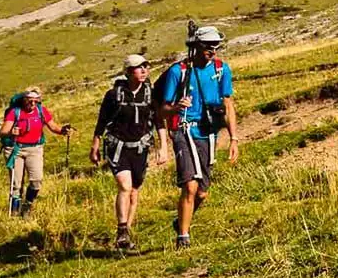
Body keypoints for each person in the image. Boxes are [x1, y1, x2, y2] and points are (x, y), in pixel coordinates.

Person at [155, 25, 239, 248]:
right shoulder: (178, 71)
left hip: (208, 133)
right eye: (208, 46)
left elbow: (228, 104)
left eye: (216, 46)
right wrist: (176, 108)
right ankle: (183, 238)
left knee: (201, 193)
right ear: (197, 46)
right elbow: (162, 110)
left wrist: (234, 139)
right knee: (190, 187)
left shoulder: (221, 69)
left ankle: (181, 220)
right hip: (184, 130)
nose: (212, 50)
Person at [90, 54, 157, 251]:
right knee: (125, 186)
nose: (144, 70)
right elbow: (102, 121)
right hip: (118, 147)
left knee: (134, 192)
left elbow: (158, 120)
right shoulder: (113, 95)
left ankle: (126, 234)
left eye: (146, 66)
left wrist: (163, 146)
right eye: (138, 67)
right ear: (128, 71)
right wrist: (95, 145)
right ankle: (121, 229)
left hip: (140, 148)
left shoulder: (151, 94)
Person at [0, 86, 71, 215]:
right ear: (24, 99)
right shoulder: (15, 112)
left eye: (36, 101)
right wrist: (11, 132)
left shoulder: (41, 111)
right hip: (15, 149)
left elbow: (53, 126)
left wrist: (62, 131)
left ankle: (27, 204)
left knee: (37, 180)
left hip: (35, 149)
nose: (33, 103)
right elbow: (3, 131)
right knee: (16, 183)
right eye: (30, 100)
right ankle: (14, 213)